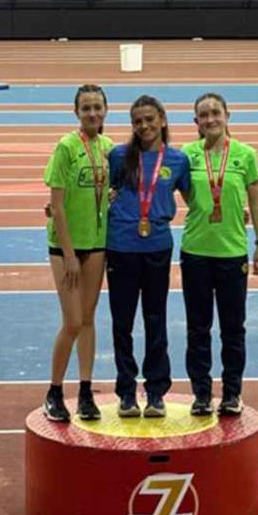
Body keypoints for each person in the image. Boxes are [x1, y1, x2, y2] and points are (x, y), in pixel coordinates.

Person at [181, 93, 258, 416]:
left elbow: (256, 202)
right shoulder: (186, 155)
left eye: (215, 113)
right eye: (203, 115)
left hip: (233, 254)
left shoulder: (245, 155)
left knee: (233, 328)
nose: (210, 119)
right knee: (198, 327)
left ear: (228, 115)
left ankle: (232, 393)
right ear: (196, 123)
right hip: (195, 252)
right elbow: (183, 193)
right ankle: (201, 394)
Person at [105, 96, 190, 418]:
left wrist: (239, 211)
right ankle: (126, 392)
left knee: (156, 320)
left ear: (163, 119)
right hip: (121, 247)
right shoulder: (118, 156)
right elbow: (103, 193)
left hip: (157, 246)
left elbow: (195, 200)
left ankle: (156, 392)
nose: (144, 126)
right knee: (122, 322)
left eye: (149, 119)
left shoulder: (178, 160)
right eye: (137, 121)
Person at [42, 84, 114, 422]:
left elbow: (115, 190)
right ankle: (54, 390)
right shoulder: (66, 147)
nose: (92, 113)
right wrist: (69, 254)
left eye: (97, 107)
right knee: (71, 321)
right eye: (86, 108)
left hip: (97, 243)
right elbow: (56, 205)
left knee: (87, 319)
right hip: (66, 248)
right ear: (76, 112)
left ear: (106, 110)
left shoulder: (110, 149)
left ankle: (85, 391)